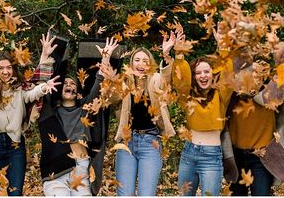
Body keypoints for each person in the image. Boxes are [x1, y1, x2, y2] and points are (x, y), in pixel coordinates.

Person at [0, 34, 61, 196]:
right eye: (1, 68)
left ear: (13, 68)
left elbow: (32, 93)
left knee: (15, 193)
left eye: (9, 67)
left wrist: (44, 87)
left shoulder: (19, 89)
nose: (5, 71)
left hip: (15, 148)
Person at [39, 37, 119, 196]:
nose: (69, 86)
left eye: (73, 84)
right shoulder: (51, 112)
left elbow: (98, 84)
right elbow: (42, 86)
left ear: (77, 90)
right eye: (65, 84)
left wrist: (105, 58)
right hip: (57, 170)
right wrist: (44, 57)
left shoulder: (85, 107)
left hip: (81, 168)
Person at [109, 31, 180, 196]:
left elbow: (166, 81)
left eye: (145, 61)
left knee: (146, 194)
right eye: (137, 60)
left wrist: (166, 54)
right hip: (127, 142)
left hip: (150, 142)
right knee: (124, 194)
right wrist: (110, 75)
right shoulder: (123, 82)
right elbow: (111, 100)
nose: (141, 64)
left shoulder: (155, 79)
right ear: (131, 63)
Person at [225, 47, 284, 196]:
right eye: (251, 73)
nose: (254, 77)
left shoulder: (271, 96)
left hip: (261, 157)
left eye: (259, 74)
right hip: (236, 156)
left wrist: (275, 46)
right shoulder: (232, 95)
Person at [172, 54, 233, 196]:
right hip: (188, 154)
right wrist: (179, 56)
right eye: (198, 73)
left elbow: (228, 74)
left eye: (206, 71)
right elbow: (180, 82)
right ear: (194, 76)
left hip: (211, 157)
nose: (203, 76)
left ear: (213, 74)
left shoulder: (221, 95)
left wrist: (223, 47)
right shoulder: (188, 97)